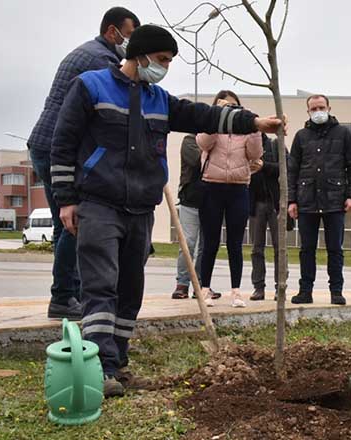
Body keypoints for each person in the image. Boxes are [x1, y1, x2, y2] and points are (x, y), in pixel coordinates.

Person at [51, 25, 284, 398]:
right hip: (99, 203)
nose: (165, 68)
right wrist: (66, 199)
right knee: (100, 287)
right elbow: (62, 144)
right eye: (162, 60)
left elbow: (205, 118)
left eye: (170, 62)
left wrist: (253, 123)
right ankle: (100, 367)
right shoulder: (91, 87)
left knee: (130, 288)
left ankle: (119, 363)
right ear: (139, 55)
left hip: (140, 207)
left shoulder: (158, 99)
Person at [28, 7, 140, 320]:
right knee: (74, 223)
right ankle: (64, 297)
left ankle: (67, 293)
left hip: (45, 144)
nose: (130, 46)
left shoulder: (86, 52)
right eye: (129, 37)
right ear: (112, 32)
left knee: (64, 224)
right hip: (58, 147)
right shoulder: (100, 62)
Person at [287, 94, 351, 305]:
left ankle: (336, 290)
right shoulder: (301, 136)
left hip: (335, 201)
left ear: (329, 108)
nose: (318, 111)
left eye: (321, 107)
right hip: (307, 201)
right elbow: (292, 171)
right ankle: (305, 290)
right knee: (306, 249)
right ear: (308, 111)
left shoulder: (343, 134)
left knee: (335, 249)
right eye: (313, 108)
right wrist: (292, 200)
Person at [197, 91, 264, 308]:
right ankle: (204, 289)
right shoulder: (209, 123)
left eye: (233, 106)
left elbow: (255, 154)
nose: (229, 109)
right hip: (211, 186)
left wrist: (252, 126)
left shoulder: (245, 129)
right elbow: (204, 143)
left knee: (235, 244)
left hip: (238, 189)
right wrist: (218, 118)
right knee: (210, 242)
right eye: (224, 105)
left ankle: (236, 291)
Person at [249, 136, 286, 301]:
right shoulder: (248, 147)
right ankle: (258, 287)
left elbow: (285, 168)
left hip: (275, 203)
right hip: (256, 203)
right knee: (257, 248)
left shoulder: (275, 145)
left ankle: (280, 286)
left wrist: (264, 166)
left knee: (280, 248)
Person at [170, 134, 206, 299]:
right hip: (190, 200)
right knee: (188, 243)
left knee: (205, 246)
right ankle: (182, 284)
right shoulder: (190, 141)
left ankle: (202, 285)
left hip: (211, 201)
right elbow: (199, 161)